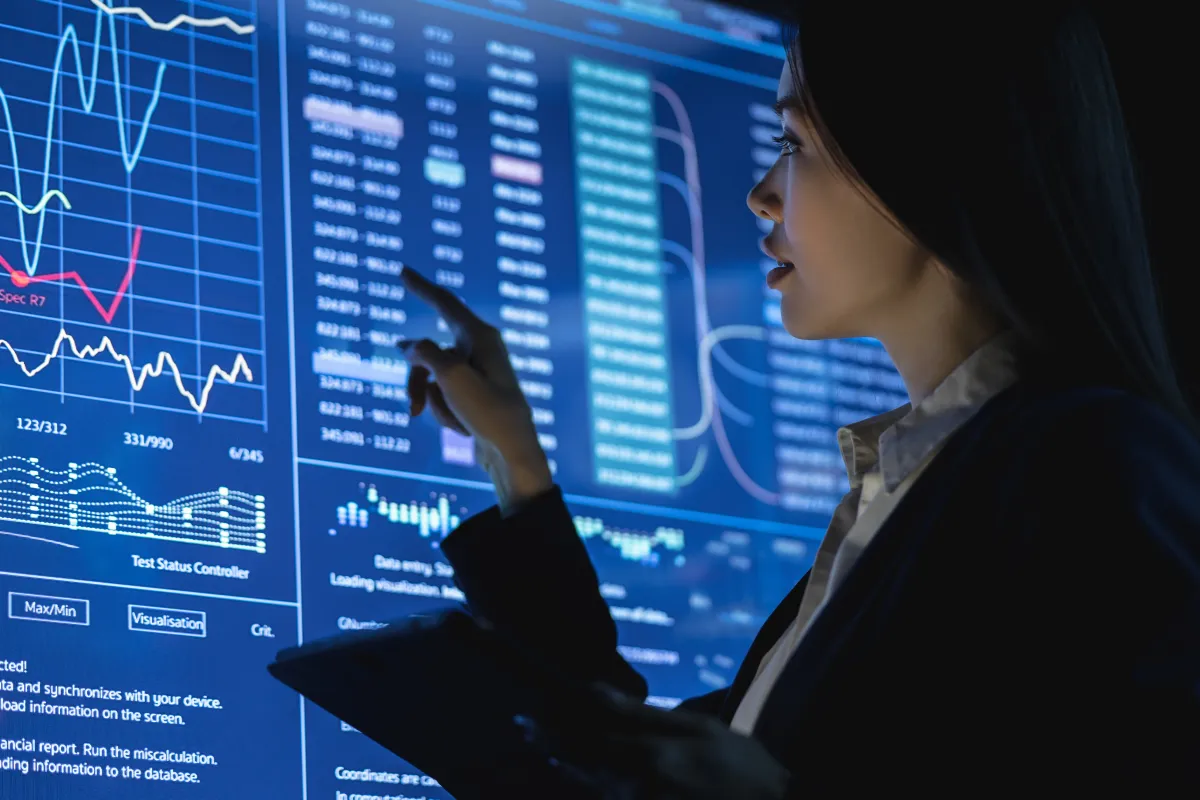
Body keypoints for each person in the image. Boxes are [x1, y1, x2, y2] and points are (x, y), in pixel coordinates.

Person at [397, 3, 1200, 796]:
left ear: (925, 158)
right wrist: (515, 463)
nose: (760, 194)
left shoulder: (1097, 466)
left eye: (792, 143)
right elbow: (621, 752)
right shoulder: (917, 492)